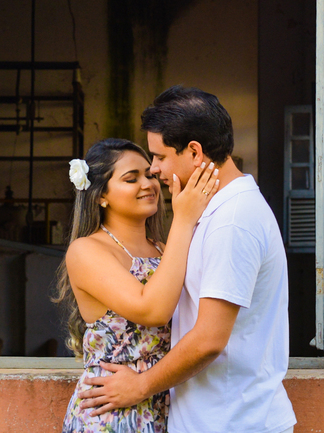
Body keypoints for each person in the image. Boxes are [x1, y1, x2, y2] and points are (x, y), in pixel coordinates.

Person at [79, 87, 297, 433]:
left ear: (194, 152)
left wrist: (141, 384)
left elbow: (209, 338)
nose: (155, 170)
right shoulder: (210, 214)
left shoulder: (233, 220)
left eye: (160, 157)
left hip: (233, 421)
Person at [57, 137, 220, 433]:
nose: (148, 184)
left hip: (167, 404)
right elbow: (152, 310)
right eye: (131, 179)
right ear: (99, 196)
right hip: (112, 411)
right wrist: (183, 219)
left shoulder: (162, 248)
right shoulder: (86, 250)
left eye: (149, 174)